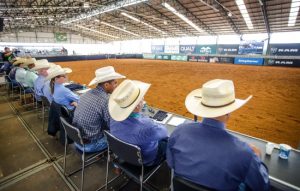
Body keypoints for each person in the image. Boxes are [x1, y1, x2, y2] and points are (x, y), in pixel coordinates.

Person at [167, 79, 269, 191]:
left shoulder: (179, 131)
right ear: (228, 112)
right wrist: (257, 158)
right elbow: (262, 186)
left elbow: (171, 163)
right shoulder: (244, 153)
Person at [109, 79, 168, 166]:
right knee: (168, 141)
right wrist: (146, 119)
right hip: (146, 161)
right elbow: (164, 132)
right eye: (141, 98)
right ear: (137, 106)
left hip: (123, 156)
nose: (143, 99)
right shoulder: (147, 126)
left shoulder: (113, 118)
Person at [73, 66, 125, 153]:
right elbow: (112, 126)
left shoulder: (86, 94)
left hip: (77, 140)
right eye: (115, 83)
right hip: (90, 145)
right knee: (120, 132)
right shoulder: (105, 100)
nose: (117, 85)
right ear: (106, 85)